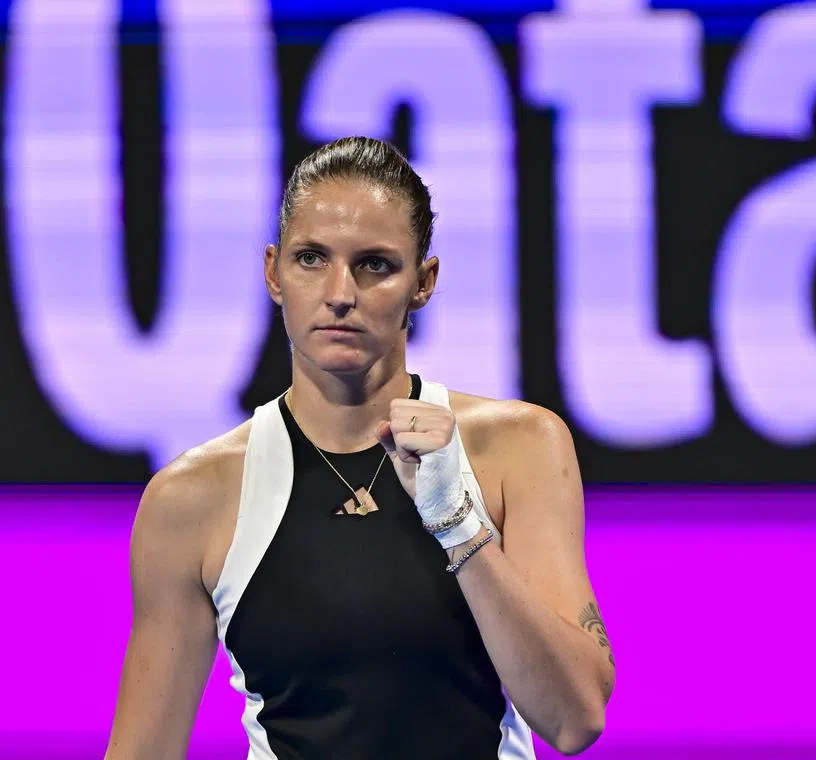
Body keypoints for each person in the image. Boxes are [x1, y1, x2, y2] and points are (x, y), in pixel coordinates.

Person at [104, 137, 614, 759]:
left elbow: (574, 719)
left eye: (374, 264)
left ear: (423, 281)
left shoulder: (519, 448)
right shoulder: (192, 499)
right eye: (311, 258)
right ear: (273, 272)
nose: (340, 292)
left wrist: (458, 524)